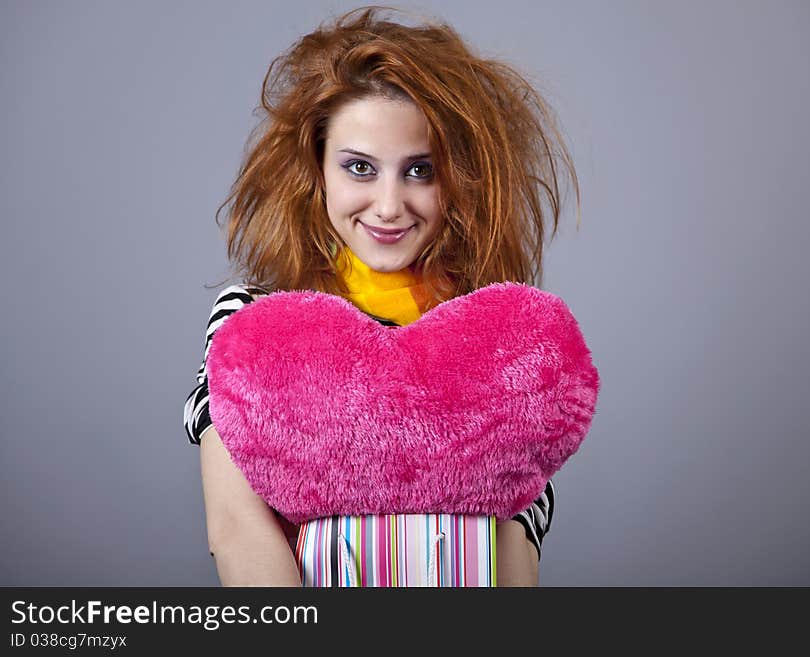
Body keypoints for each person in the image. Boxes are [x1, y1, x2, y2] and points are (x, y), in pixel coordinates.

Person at [183, 5, 579, 586]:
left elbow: (517, 529)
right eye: (360, 168)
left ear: (460, 176)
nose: (389, 206)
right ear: (316, 170)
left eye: (420, 170)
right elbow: (236, 525)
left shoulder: (500, 337)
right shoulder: (254, 323)